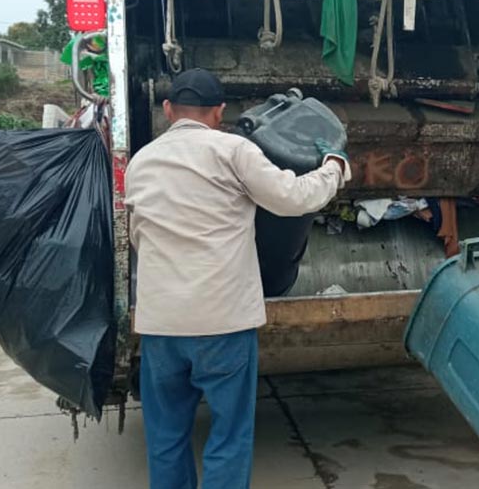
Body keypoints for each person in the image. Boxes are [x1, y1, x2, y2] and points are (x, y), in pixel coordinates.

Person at [125, 69, 350, 489]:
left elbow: (139, 236)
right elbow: (293, 199)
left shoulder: (140, 161)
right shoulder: (233, 151)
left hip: (161, 326)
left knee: (166, 437)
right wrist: (333, 168)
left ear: (169, 109)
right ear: (220, 112)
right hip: (223, 325)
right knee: (229, 435)